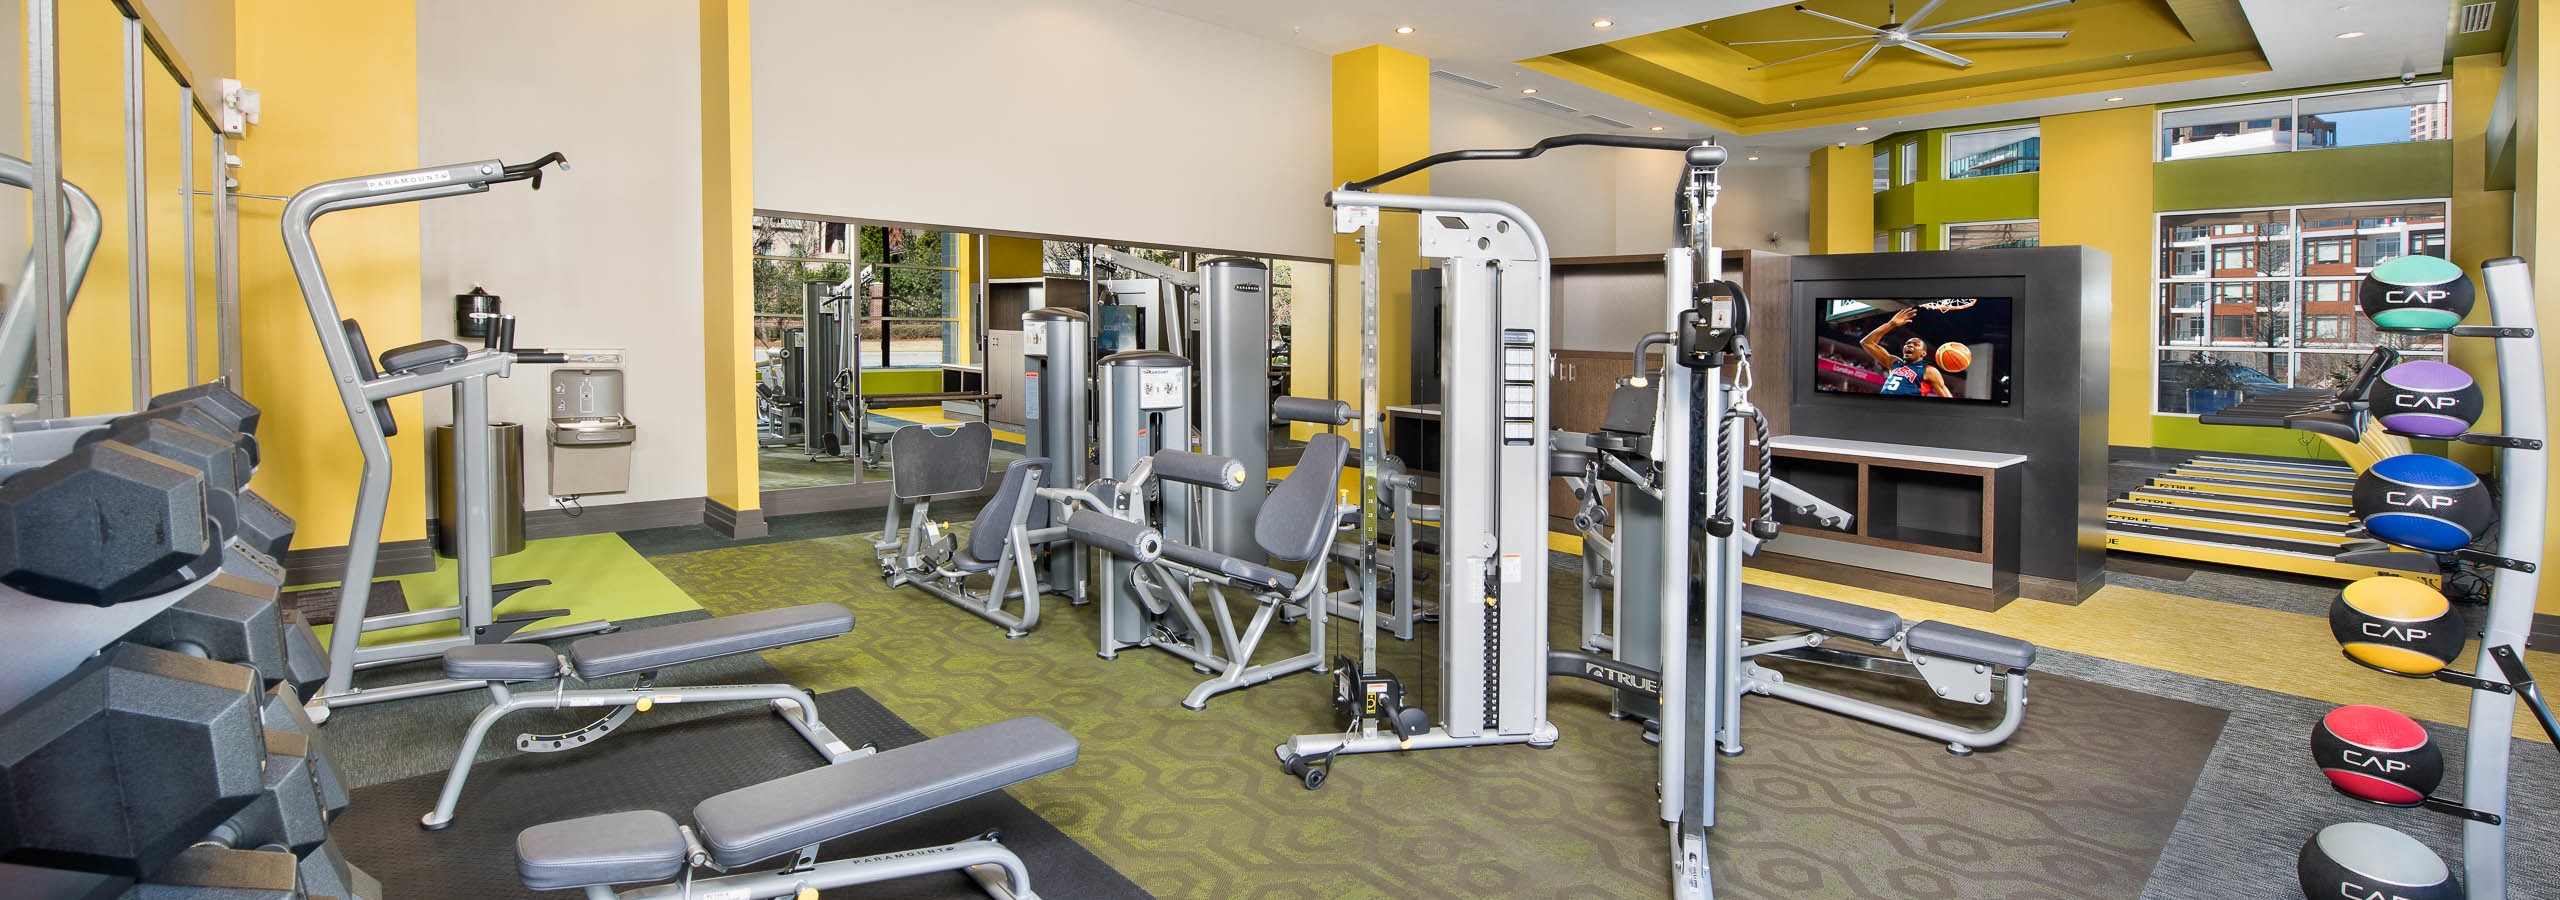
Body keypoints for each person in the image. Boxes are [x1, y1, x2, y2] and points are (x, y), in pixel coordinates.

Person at [1859, 307, 1949, 398]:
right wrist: (1891, 324)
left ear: (1923, 353)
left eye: (1916, 344)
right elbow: (1867, 343)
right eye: (1907, 344)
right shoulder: (1894, 362)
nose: (1909, 345)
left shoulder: (1929, 371)